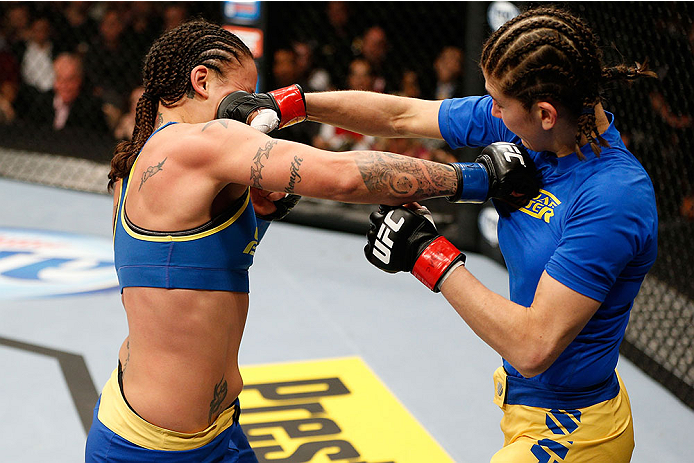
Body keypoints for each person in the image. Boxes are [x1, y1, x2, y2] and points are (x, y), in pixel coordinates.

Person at [84, 19, 537, 462]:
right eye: (241, 95)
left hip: (219, 432)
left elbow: (185, 273)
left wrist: (259, 215)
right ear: (201, 81)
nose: (249, 113)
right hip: (148, 450)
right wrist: (477, 180)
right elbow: (340, 177)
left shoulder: (138, 165)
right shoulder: (198, 142)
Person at [301, 6, 658, 462]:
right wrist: (294, 104)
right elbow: (399, 116)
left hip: (575, 430)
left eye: (500, 104)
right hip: (525, 405)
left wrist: (426, 253)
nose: (491, 112)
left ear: (545, 113)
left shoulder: (612, 198)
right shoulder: (526, 127)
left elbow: (533, 346)